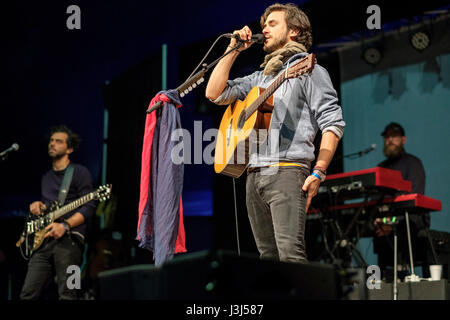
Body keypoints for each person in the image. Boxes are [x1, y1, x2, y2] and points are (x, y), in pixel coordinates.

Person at [206, 3, 345, 263]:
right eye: (263, 25)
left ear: (294, 31)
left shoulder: (309, 69)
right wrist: (232, 49)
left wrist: (319, 170)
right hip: (253, 175)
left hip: (287, 170)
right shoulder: (259, 78)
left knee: (291, 256)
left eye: (272, 24)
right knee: (267, 261)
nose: (265, 30)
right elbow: (214, 93)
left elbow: (333, 123)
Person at [20, 125, 95, 300]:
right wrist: (38, 205)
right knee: (27, 294)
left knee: (70, 292)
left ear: (69, 149)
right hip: (43, 241)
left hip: (72, 243)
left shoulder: (80, 172)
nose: (52, 144)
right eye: (51, 141)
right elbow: (48, 205)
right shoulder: (46, 176)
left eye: (58, 141)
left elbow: (89, 206)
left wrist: (65, 225)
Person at [373, 122, 430, 280]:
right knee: (372, 228)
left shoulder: (413, 163)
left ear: (403, 139)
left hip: (410, 220)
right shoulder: (381, 167)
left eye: (394, 137)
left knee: (406, 224)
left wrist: (391, 222)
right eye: (387, 137)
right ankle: (379, 282)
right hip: (388, 221)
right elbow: (375, 201)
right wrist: (380, 220)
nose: (390, 140)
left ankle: (403, 277)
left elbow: (414, 198)